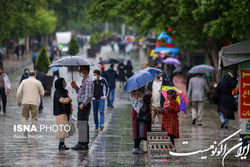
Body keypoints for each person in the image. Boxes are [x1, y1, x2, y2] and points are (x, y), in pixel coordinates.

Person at [71, 65, 94, 150]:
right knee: (82, 124)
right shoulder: (84, 80)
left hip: (84, 105)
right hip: (83, 105)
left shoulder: (87, 81)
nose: (80, 70)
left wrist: (82, 105)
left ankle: (82, 143)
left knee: (82, 124)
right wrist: (76, 87)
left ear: (86, 70)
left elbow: (88, 96)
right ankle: (83, 143)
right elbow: (82, 93)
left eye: (81, 69)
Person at [17, 71, 45, 136]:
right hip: (34, 102)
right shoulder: (38, 82)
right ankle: (33, 132)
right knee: (34, 118)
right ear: (35, 75)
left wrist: (19, 102)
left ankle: (25, 128)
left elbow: (18, 93)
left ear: (28, 75)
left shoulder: (23, 82)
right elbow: (42, 93)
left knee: (24, 117)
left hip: (25, 102)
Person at [53, 78, 73, 150]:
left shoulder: (64, 91)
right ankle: (61, 145)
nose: (65, 83)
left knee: (64, 129)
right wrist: (68, 99)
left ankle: (62, 144)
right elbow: (61, 100)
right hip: (61, 112)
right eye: (63, 82)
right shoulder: (58, 92)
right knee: (61, 129)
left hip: (65, 113)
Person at [131, 86, 151, 154]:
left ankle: (137, 147)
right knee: (139, 130)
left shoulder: (133, 91)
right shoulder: (143, 92)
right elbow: (148, 99)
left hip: (136, 112)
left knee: (137, 130)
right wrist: (148, 94)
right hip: (141, 113)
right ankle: (136, 147)